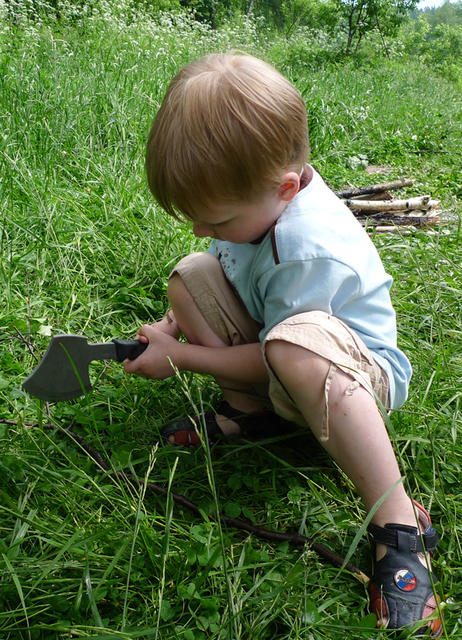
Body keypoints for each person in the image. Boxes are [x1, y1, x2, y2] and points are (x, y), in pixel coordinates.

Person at [124, 53, 443, 636]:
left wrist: (184, 359)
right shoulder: (258, 208)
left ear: (286, 188)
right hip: (286, 353)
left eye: (215, 220)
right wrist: (173, 326)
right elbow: (226, 268)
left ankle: (399, 525)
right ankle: (253, 414)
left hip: (353, 376)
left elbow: (279, 347)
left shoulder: (306, 247)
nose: (204, 229)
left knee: (293, 348)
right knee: (191, 274)